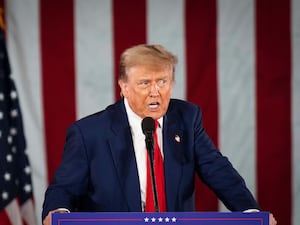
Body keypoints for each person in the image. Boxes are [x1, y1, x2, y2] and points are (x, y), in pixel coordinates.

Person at [42, 44, 277, 225]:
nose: (155, 92)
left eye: (162, 81)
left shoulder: (187, 118)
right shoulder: (89, 133)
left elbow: (218, 170)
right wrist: (59, 213)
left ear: (172, 82)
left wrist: (251, 214)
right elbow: (63, 189)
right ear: (124, 87)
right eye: (144, 83)